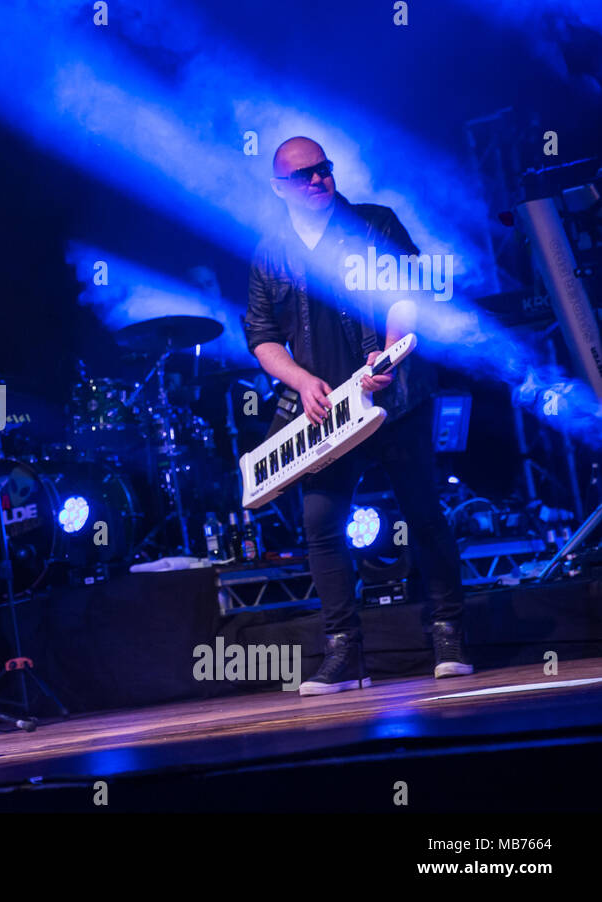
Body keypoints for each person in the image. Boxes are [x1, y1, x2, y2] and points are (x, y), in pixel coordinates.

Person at [244, 137, 471, 695]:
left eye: (324, 170)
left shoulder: (374, 223)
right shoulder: (269, 252)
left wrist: (388, 351)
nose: (320, 181)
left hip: (392, 396)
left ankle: (448, 634)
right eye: (305, 176)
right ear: (280, 188)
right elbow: (261, 335)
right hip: (326, 410)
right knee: (321, 526)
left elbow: (405, 293)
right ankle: (344, 654)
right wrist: (301, 382)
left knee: (422, 510)